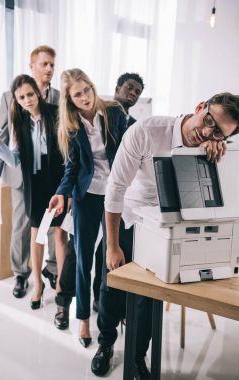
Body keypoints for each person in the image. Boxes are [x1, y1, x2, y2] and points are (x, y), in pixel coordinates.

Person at [91, 92, 239, 379]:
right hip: (126, 216)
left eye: (219, 132)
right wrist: (111, 245)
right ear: (199, 106)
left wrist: (213, 156)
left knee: (150, 298)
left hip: (163, 229)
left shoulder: (211, 147)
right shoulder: (146, 132)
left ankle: (136, 356)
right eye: (208, 120)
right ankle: (105, 344)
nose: (208, 131)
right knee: (112, 289)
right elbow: (115, 190)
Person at [49, 68, 127, 347]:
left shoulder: (116, 113)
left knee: (113, 260)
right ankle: (82, 320)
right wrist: (61, 194)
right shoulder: (71, 127)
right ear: (69, 100)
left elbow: (139, 140)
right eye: (77, 94)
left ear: (93, 87)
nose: (85, 97)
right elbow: (72, 170)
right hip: (87, 197)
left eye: (87, 89)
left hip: (116, 197)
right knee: (82, 262)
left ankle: (111, 317)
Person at [0, 74, 67, 310]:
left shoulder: (55, 112)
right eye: (21, 97)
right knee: (36, 235)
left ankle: (61, 289)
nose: (27, 100)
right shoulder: (19, 121)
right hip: (34, 182)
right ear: (17, 100)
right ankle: (38, 286)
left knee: (60, 235)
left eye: (30, 94)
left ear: (38, 93)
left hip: (57, 179)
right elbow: (15, 159)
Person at [92, 72, 145, 313]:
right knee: (86, 249)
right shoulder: (98, 111)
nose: (133, 94)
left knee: (108, 244)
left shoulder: (134, 125)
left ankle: (109, 301)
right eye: (130, 88)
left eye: (137, 92)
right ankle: (92, 297)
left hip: (119, 194)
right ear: (117, 87)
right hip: (92, 190)